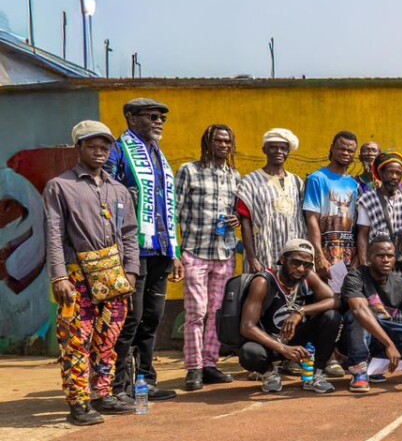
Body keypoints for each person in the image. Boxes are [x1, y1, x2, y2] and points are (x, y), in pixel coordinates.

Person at [44, 121, 139, 425]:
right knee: (76, 340)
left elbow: (129, 234)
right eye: (93, 146)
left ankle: (102, 392)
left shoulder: (119, 189)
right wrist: (59, 276)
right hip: (76, 275)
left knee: (107, 340)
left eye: (105, 147)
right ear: (79, 148)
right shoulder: (61, 186)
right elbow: (54, 234)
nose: (100, 152)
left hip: (114, 275)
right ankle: (79, 402)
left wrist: (132, 273)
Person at [106, 97, 181, 403]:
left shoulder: (158, 155)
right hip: (133, 250)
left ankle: (145, 381)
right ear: (131, 117)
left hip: (161, 248)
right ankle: (119, 385)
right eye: (152, 116)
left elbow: (167, 208)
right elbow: (107, 193)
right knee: (130, 319)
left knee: (152, 317)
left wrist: (175, 252)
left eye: (162, 117)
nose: (159, 121)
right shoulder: (119, 150)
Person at [175, 124, 241, 392]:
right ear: (207, 142)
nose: (223, 145)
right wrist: (175, 253)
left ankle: (210, 364)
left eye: (227, 141)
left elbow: (238, 212)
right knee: (196, 311)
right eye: (218, 140)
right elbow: (174, 212)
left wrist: (236, 219)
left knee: (216, 312)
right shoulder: (189, 171)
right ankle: (193, 368)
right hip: (194, 251)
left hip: (224, 253)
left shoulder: (235, 177)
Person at [237, 239, 340, 393]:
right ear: (283, 259)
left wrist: (301, 311)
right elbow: (247, 327)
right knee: (249, 352)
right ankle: (269, 372)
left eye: (306, 265)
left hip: (297, 341)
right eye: (296, 263)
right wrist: (283, 349)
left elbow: (335, 301)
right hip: (270, 342)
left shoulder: (307, 277)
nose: (300, 269)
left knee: (332, 317)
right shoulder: (263, 281)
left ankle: (315, 374)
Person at [340, 237, 402, 391]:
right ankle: (359, 370)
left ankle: (377, 364)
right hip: (351, 337)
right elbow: (359, 309)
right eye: (380, 255)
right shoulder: (355, 276)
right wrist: (389, 345)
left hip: (381, 332)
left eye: (390, 256)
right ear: (369, 257)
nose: (386, 260)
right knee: (359, 316)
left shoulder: (401, 283)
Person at [236, 128, 306, 276]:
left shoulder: (297, 182)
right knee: (262, 293)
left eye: (283, 148)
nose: (279, 151)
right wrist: (251, 257)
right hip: (263, 253)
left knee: (292, 294)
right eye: (273, 147)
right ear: (264, 150)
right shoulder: (250, 182)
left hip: (292, 254)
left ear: (288, 152)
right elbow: (245, 223)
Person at [304, 131, 361, 286]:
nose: (345, 153)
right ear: (332, 149)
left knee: (347, 302)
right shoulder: (317, 179)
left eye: (350, 151)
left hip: (349, 257)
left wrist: (357, 257)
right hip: (325, 256)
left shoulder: (354, 185)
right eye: (342, 148)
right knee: (326, 301)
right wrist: (319, 255)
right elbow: (312, 219)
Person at [354, 150, 402, 272]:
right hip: (377, 266)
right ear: (381, 173)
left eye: (398, 173)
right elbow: (363, 234)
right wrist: (364, 265)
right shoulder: (366, 200)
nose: (394, 176)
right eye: (390, 172)